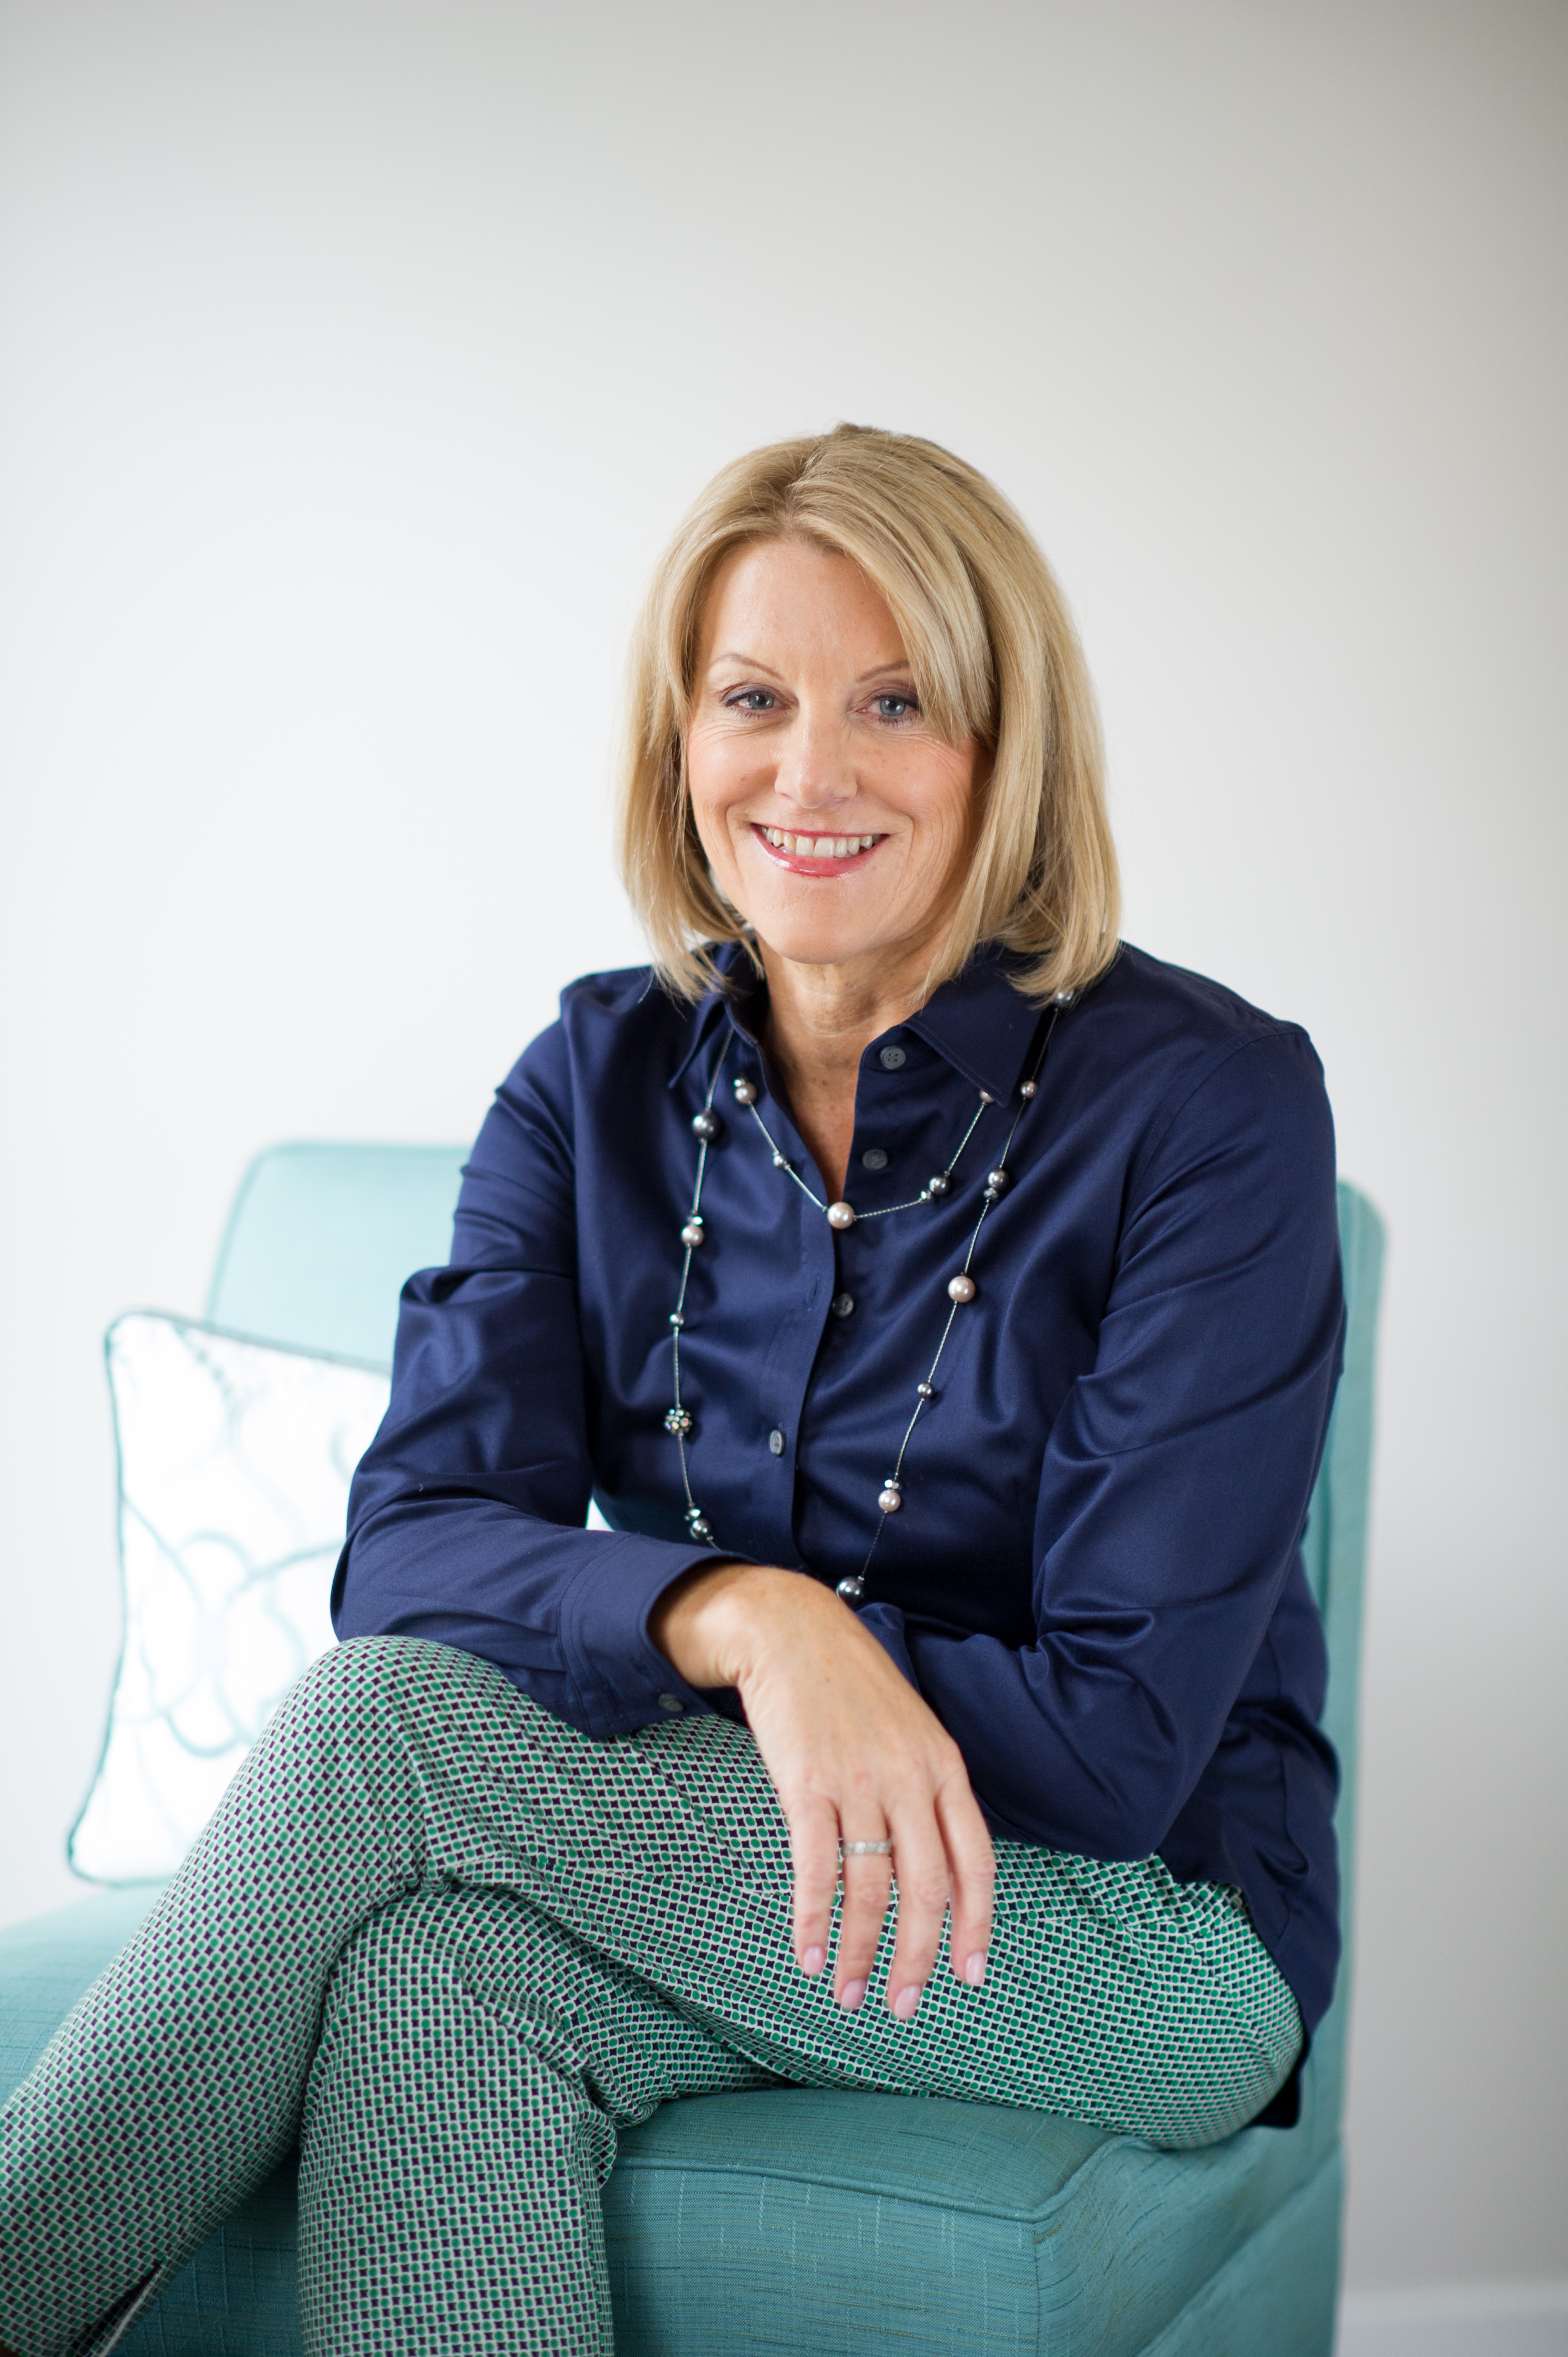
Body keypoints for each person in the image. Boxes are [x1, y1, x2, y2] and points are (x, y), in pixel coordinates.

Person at [0, 426, 1344, 2357]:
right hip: (734, 1857)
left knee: (386, 1738)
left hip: (1139, 1924)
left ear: (1007, 747)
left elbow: (1119, 1742)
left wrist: (768, 1671)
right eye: (753, 698)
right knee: (439, 1979)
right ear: (679, 741)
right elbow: (411, 1551)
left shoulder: (1209, 1103)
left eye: (895, 702)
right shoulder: (591, 1080)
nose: (812, 771)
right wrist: (751, 1625)